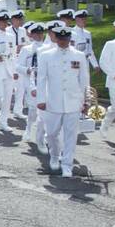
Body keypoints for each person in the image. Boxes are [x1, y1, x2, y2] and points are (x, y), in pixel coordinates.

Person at [36, 23, 90, 177]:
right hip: (53, 101)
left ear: (69, 39)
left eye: (65, 39)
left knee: (71, 135)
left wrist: (86, 101)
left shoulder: (79, 56)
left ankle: (67, 164)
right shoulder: (46, 55)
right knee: (52, 134)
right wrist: (41, 99)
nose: (62, 42)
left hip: (74, 101)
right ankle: (54, 156)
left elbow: (84, 80)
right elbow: (41, 79)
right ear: (56, 39)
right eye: (60, 39)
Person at [18, 22, 47, 147]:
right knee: (33, 110)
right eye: (36, 33)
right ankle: (28, 129)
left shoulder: (49, 49)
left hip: (45, 83)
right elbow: (18, 66)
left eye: (41, 33)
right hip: (31, 82)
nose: (39, 36)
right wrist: (27, 70)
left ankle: (43, 135)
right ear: (32, 35)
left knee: (45, 111)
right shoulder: (27, 49)